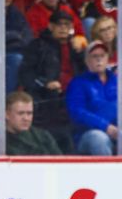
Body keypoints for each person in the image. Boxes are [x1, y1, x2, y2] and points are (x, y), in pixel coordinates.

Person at [66, 40, 122, 155]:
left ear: (107, 59)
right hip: (90, 134)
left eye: (102, 56)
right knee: (98, 138)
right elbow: (77, 112)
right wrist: (105, 126)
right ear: (87, 61)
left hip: (121, 133)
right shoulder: (78, 83)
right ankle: (108, 173)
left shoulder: (119, 81)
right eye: (94, 56)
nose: (99, 59)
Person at [19, 9, 86, 154]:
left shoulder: (75, 48)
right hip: (46, 99)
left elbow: (85, 73)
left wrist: (81, 53)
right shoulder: (37, 45)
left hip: (72, 98)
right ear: (50, 26)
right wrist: (45, 83)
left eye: (66, 25)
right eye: (59, 24)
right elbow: (26, 74)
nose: (63, 28)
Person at [5, 91, 62, 156]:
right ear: (7, 114)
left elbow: (59, 162)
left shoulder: (43, 136)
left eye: (29, 113)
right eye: (20, 113)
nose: (26, 118)